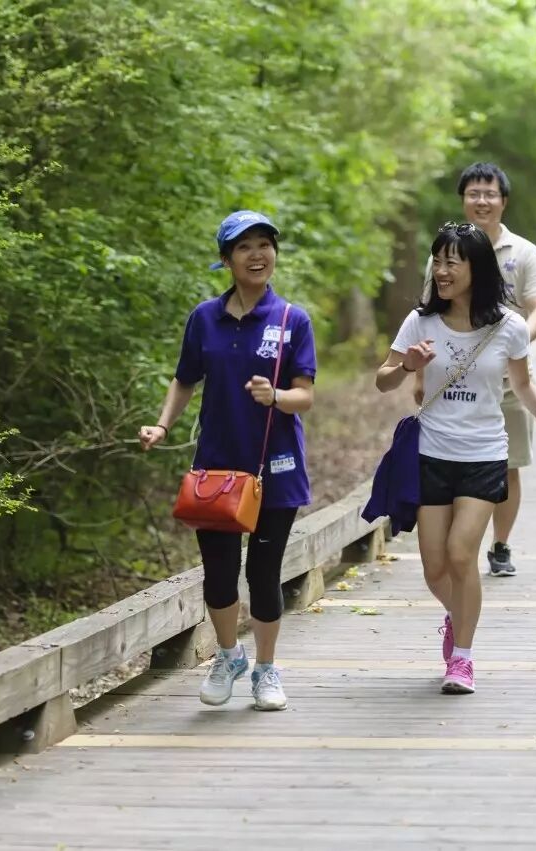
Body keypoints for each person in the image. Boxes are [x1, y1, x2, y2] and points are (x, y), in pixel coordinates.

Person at [377, 222, 536, 694]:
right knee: (434, 568)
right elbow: (383, 379)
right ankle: (457, 616)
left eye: (452, 262)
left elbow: (524, 387)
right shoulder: (420, 322)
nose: (441, 270)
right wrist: (407, 365)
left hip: (484, 455)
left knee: (461, 554)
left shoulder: (509, 327)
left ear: (477, 268)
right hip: (431, 455)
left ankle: (463, 658)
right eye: (437, 261)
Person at [139, 210, 316, 711]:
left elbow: (305, 396)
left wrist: (275, 396)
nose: (258, 255)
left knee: (263, 572)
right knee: (218, 574)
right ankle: (228, 655)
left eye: (265, 245)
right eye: (244, 247)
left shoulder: (292, 319)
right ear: (226, 259)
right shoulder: (204, 318)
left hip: (275, 468)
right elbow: (184, 379)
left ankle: (266, 670)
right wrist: (162, 425)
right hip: (216, 467)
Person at [415, 162, 536, 577]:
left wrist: (514, 343)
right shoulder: (444, 255)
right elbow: (426, 315)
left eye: (490, 193)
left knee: (508, 463)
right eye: (474, 193)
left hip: (507, 378)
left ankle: (500, 543)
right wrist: (420, 377)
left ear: (503, 201)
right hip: (453, 377)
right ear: (463, 200)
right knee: (454, 461)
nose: (482, 201)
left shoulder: (523, 253)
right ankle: (458, 544)